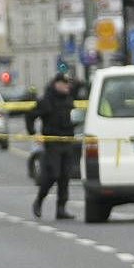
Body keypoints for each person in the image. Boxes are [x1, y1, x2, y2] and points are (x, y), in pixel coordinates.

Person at [27, 66, 82, 219]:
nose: (67, 86)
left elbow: (78, 86)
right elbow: (30, 115)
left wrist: (76, 80)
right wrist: (33, 133)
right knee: (52, 174)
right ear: (56, 84)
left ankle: (61, 209)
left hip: (67, 140)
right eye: (64, 84)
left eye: (67, 84)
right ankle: (39, 201)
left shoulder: (69, 97)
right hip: (53, 143)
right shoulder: (47, 100)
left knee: (65, 176)